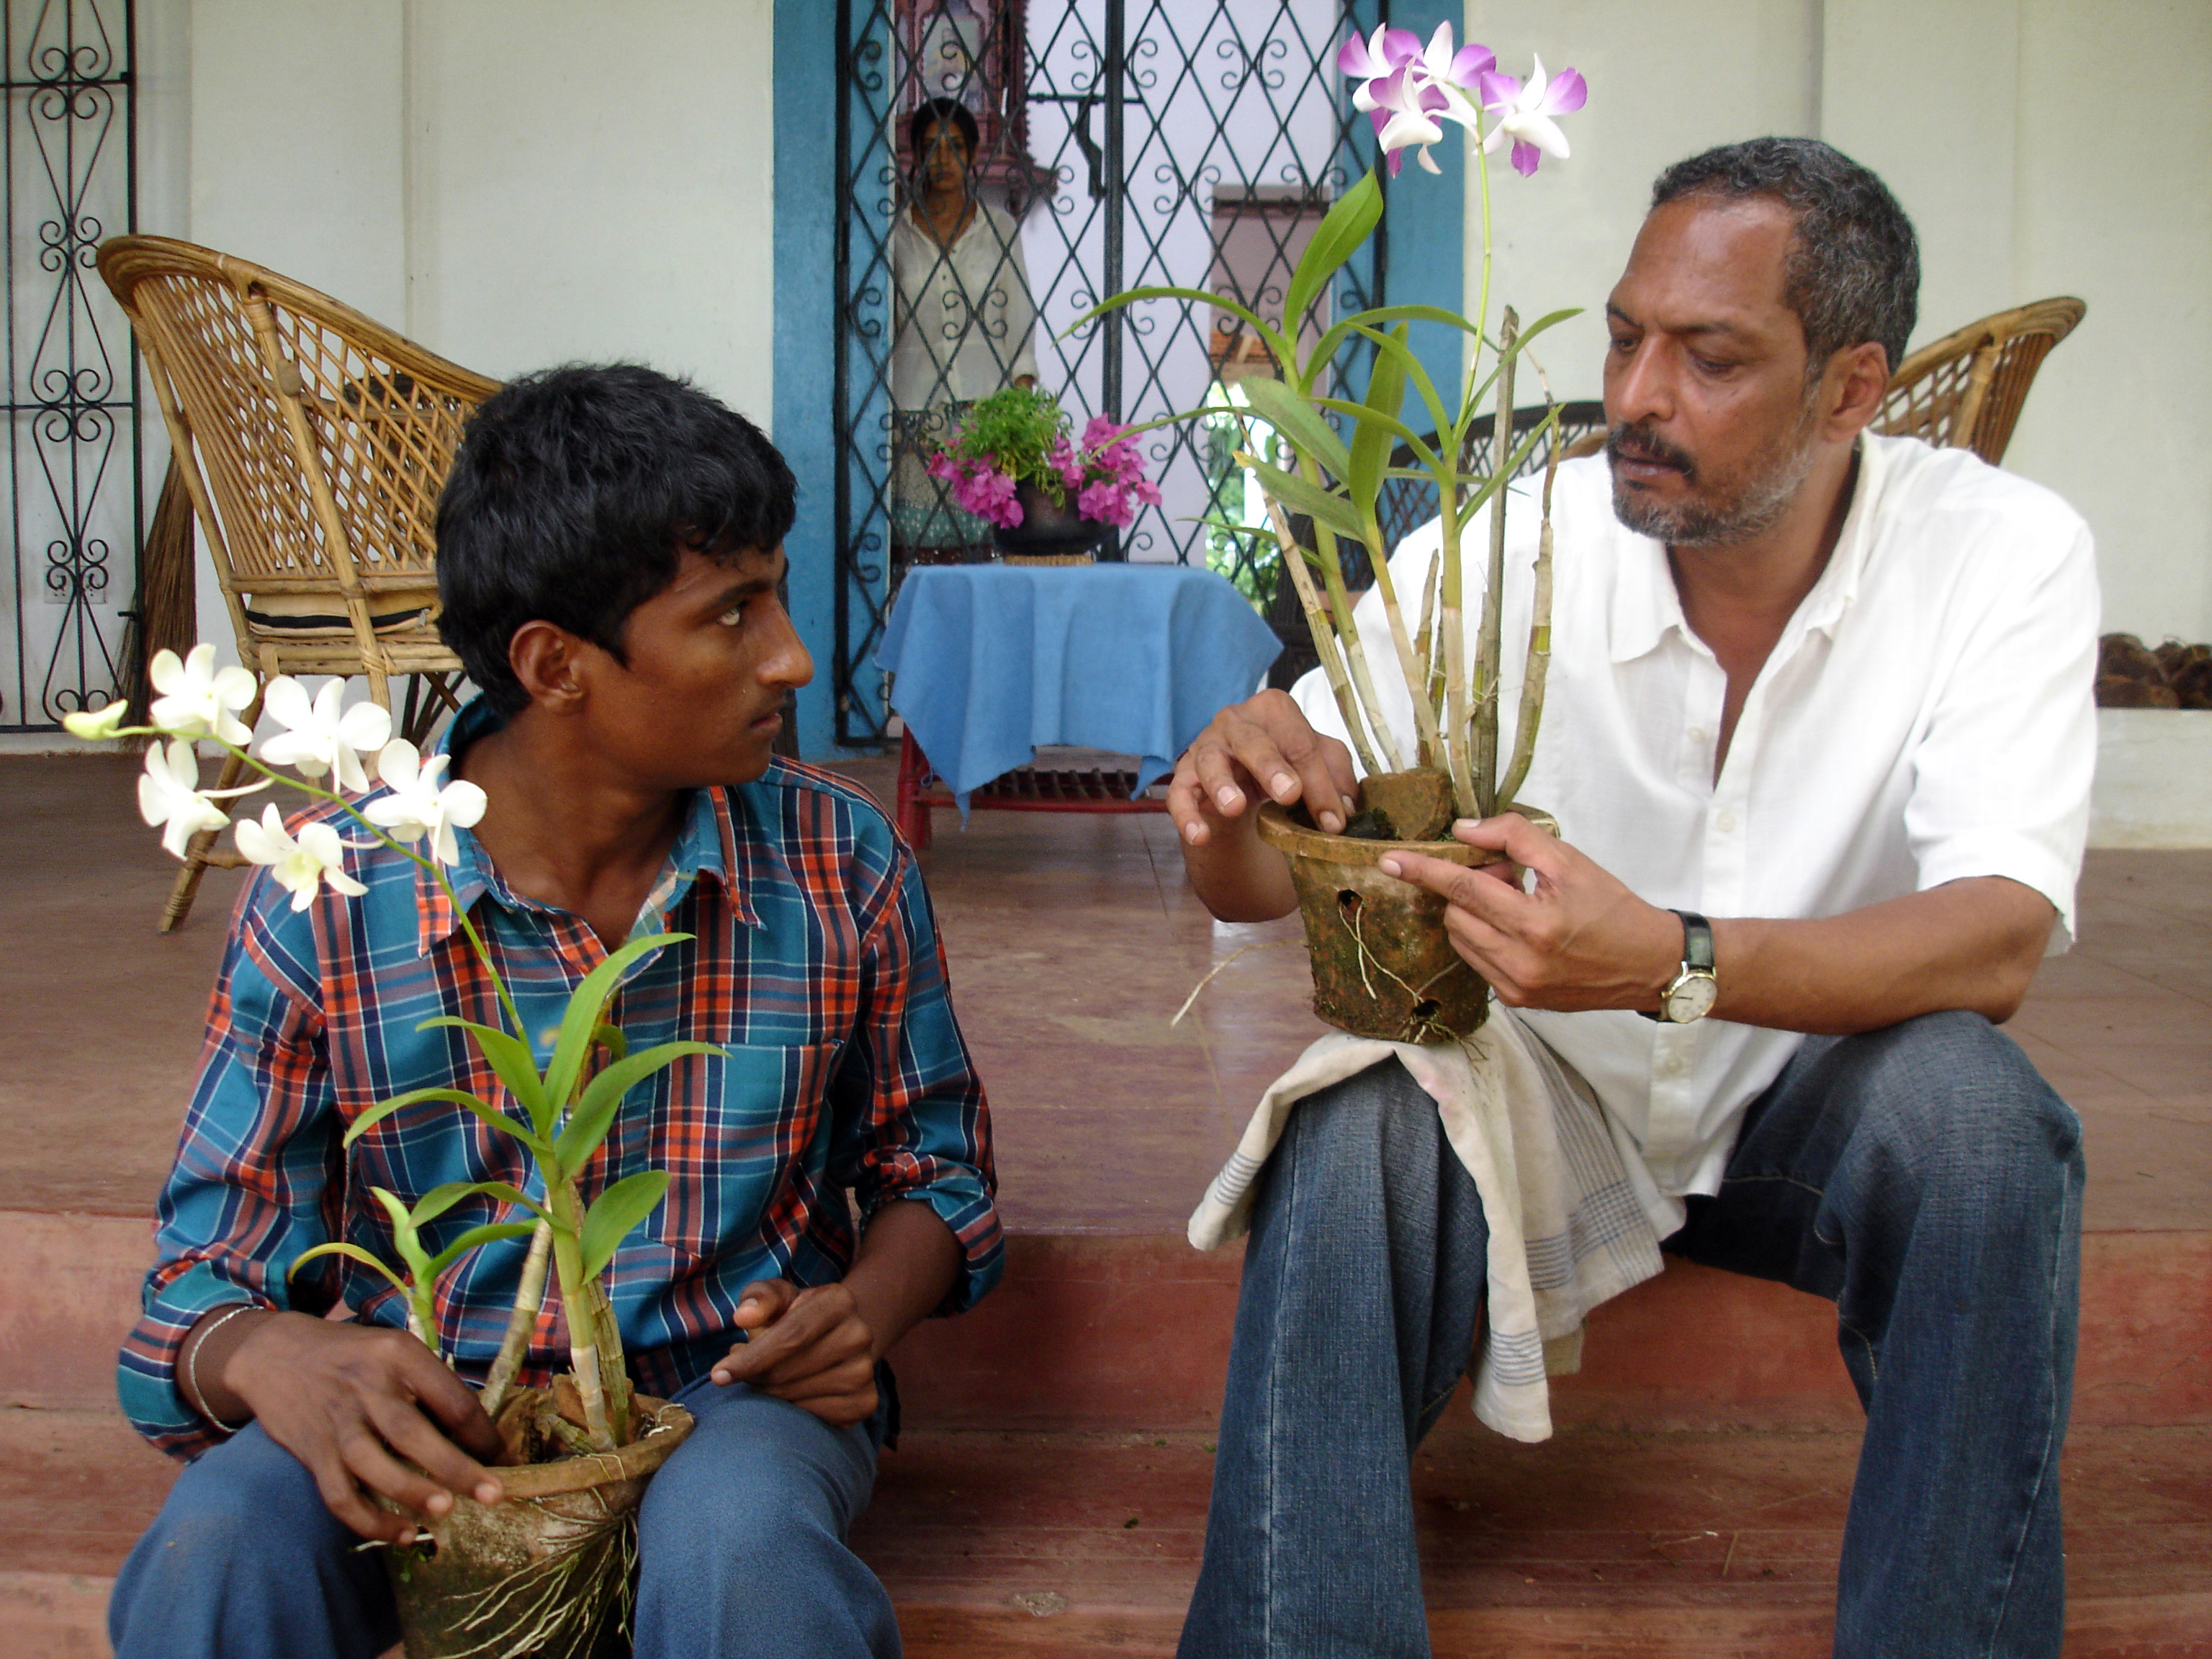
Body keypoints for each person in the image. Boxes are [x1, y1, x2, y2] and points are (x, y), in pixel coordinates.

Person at [1167, 138, 2095, 1658]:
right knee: (1355, 1121)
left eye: (1710, 357)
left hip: (1814, 1095)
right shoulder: (1516, 541)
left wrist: (1670, 961)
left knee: (1985, 1121)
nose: (1636, 399)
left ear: (1852, 389)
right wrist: (1231, 804)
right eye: (1624, 334)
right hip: (1548, 1097)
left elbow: (1995, 932)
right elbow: (1275, 874)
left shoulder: (2002, 557)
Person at [106, 364, 1002, 1659]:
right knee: (220, 1549)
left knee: (742, 1551)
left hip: (729, 1402)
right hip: (430, 1421)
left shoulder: (838, 864)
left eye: (778, 592)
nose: (792, 655)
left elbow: (941, 1173)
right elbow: (198, 1278)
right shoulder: (337, 887)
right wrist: (264, 1356)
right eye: (732, 613)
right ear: (555, 665)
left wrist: (862, 1307)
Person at [889, 95, 1040, 562]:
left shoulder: (999, 230)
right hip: (917, 420)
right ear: (915, 155)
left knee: (985, 551)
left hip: (985, 417)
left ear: (973, 155)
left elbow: (1019, 322)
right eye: (931, 147)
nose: (943, 160)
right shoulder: (896, 234)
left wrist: (1021, 412)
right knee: (919, 555)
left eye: (954, 147)